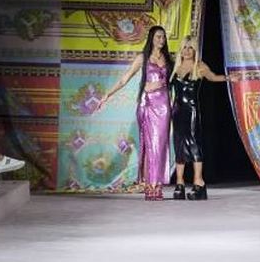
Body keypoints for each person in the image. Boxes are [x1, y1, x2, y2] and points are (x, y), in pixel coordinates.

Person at [97, 26, 172, 200]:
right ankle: (150, 186)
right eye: (158, 37)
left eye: (163, 37)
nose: (161, 40)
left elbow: (175, 78)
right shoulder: (143, 58)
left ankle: (158, 184)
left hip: (164, 106)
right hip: (148, 104)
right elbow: (125, 79)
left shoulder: (168, 59)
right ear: (152, 38)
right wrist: (107, 94)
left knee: (161, 145)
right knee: (150, 145)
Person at [169, 36, 236, 200]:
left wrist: (228, 78)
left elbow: (213, 77)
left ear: (195, 50)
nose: (187, 51)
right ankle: (180, 183)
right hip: (177, 111)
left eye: (190, 48)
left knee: (193, 144)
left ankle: (199, 183)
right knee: (179, 145)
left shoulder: (199, 66)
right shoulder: (175, 67)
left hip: (191, 110)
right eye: (184, 47)